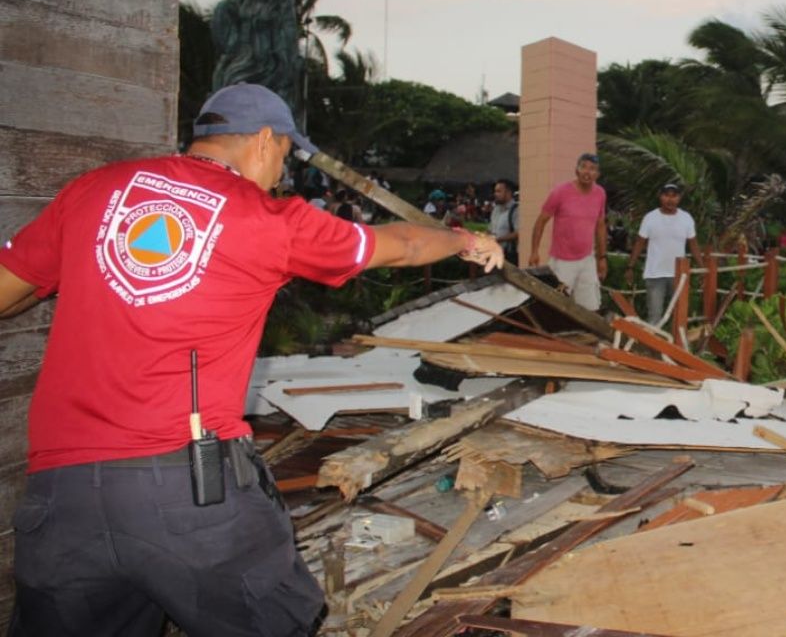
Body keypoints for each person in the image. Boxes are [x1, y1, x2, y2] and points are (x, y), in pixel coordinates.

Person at [0, 83, 503, 636]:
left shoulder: (93, 192)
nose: (281, 173)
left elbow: (8, 290)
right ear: (266, 140)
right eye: (285, 157)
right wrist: (462, 239)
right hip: (186, 492)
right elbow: (402, 244)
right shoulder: (268, 219)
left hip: (61, 492)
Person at [530, 153, 607, 311]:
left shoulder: (600, 194)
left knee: (591, 308)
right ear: (576, 170)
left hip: (587, 259)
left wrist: (602, 258)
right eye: (583, 167)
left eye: (592, 169)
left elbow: (600, 225)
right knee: (556, 307)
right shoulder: (560, 192)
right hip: (562, 262)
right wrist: (534, 251)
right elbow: (541, 221)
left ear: (597, 174)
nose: (587, 172)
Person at [625, 183, 705, 324]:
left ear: (679, 198)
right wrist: (630, 266)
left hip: (679, 275)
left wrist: (702, 269)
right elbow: (639, 243)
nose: (670, 199)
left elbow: (693, 245)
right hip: (655, 274)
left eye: (674, 196)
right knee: (655, 316)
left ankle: (677, 345)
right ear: (660, 197)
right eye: (666, 195)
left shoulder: (686, 218)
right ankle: (651, 345)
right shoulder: (650, 218)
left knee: (680, 316)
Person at [489, 178, 519, 266]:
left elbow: (518, 233)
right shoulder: (496, 210)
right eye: (495, 191)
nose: (495, 194)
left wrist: (498, 239)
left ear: (508, 192)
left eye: (499, 191)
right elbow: (491, 229)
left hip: (508, 256)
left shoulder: (516, 210)